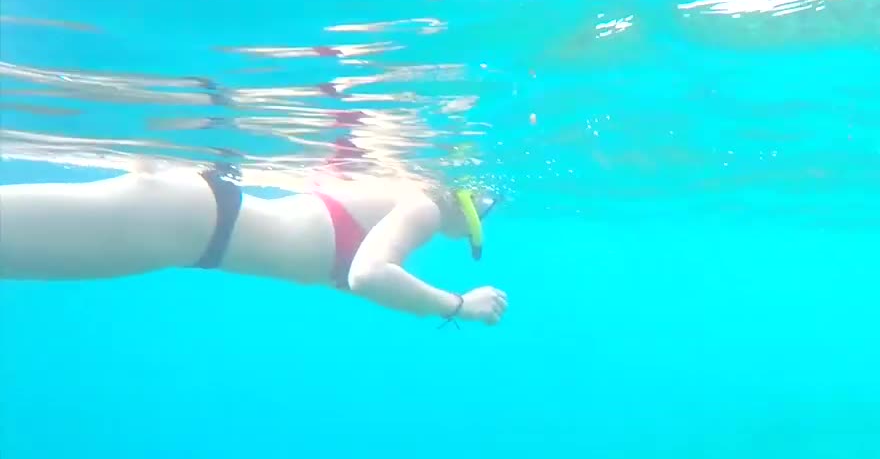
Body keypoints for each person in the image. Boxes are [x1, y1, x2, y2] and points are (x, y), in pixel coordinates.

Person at [0, 163, 508, 326]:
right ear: (465, 198)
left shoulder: (397, 203)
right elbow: (369, 276)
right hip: (191, 224)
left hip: (192, 226)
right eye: (487, 206)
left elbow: (356, 277)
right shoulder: (418, 207)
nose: (483, 220)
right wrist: (459, 306)